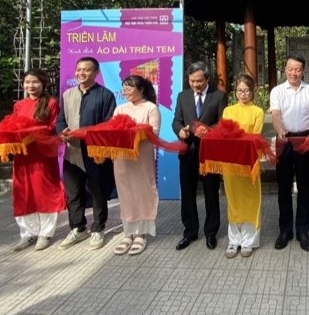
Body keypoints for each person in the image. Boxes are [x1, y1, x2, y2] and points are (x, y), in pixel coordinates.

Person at [56, 57, 117, 250]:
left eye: (87, 70)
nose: (81, 73)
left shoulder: (105, 95)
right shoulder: (67, 94)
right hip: (72, 152)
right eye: (79, 69)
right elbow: (60, 119)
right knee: (73, 192)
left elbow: (109, 123)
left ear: (96, 73)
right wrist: (63, 131)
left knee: (98, 191)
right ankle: (77, 227)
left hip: (95, 151)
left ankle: (98, 228)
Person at [270, 55, 309, 251]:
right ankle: (285, 231)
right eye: (290, 69)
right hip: (284, 141)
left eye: (298, 69)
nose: (294, 73)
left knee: (304, 187)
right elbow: (275, 115)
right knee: (283, 188)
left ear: (303, 71)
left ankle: (303, 231)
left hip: (304, 141)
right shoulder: (277, 91)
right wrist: (280, 131)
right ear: (285, 70)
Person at [172, 61, 227, 250]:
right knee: (188, 194)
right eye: (192, 81)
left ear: (207, 79)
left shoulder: (218, 96)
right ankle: (190, 232)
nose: (195, 84)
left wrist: (208, 130)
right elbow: (176, 121)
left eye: (199, 81)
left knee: (211, 193)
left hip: (209, 153)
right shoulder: (183, 96)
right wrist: (180, 131)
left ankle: (211, 232)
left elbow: (222, 123)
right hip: (187, 151)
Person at [11, 68, 66, 252]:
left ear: (43, 83)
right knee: (23, 191)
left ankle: (45, 234)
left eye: (35, 82)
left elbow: (54, 127)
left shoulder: (51, 103)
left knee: (44, 191)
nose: (31, 85)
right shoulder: (19, 105)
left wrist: (34, 131)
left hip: (43, 154)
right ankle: (27, 234)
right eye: (27, 82)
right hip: (23, 154)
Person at [111, 75, 161, 256]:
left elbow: (154, 133)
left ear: (141, 89)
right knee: (126, 193)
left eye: (129, 87)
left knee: (142, 192)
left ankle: (141, 233)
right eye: (124, 87)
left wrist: (133, 133)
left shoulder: (150, 108)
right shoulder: (120, 108)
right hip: (122, 158)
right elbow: (112, 130)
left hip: (141, 156)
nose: (125, 91)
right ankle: (128, 232)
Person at [221, 74, 265, 258]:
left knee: (250, 200)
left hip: (248, 162)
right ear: (235, 92)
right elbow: (224, 135)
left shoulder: (258, 112)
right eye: (239, 90)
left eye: (246, 90)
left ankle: (249, 241)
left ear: (252, 91)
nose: (243, 94)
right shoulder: (228, 111)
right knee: (233, 201)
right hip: (230, 163)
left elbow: (255, 137)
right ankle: (234, 240)